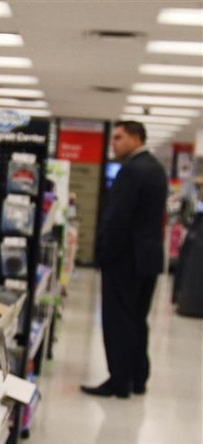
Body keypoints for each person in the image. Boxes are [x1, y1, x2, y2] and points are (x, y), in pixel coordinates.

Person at [81, 121, 168, 398]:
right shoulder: (156, 169)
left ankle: (119, 382)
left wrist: (104, 255)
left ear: (135, 138)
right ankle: (138, 378)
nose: (113, 143)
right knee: (137, 319)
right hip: (149, 259)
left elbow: (118, 219)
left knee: (118, 320)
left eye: (118, 137)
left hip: (124, 260)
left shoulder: (130, 171)